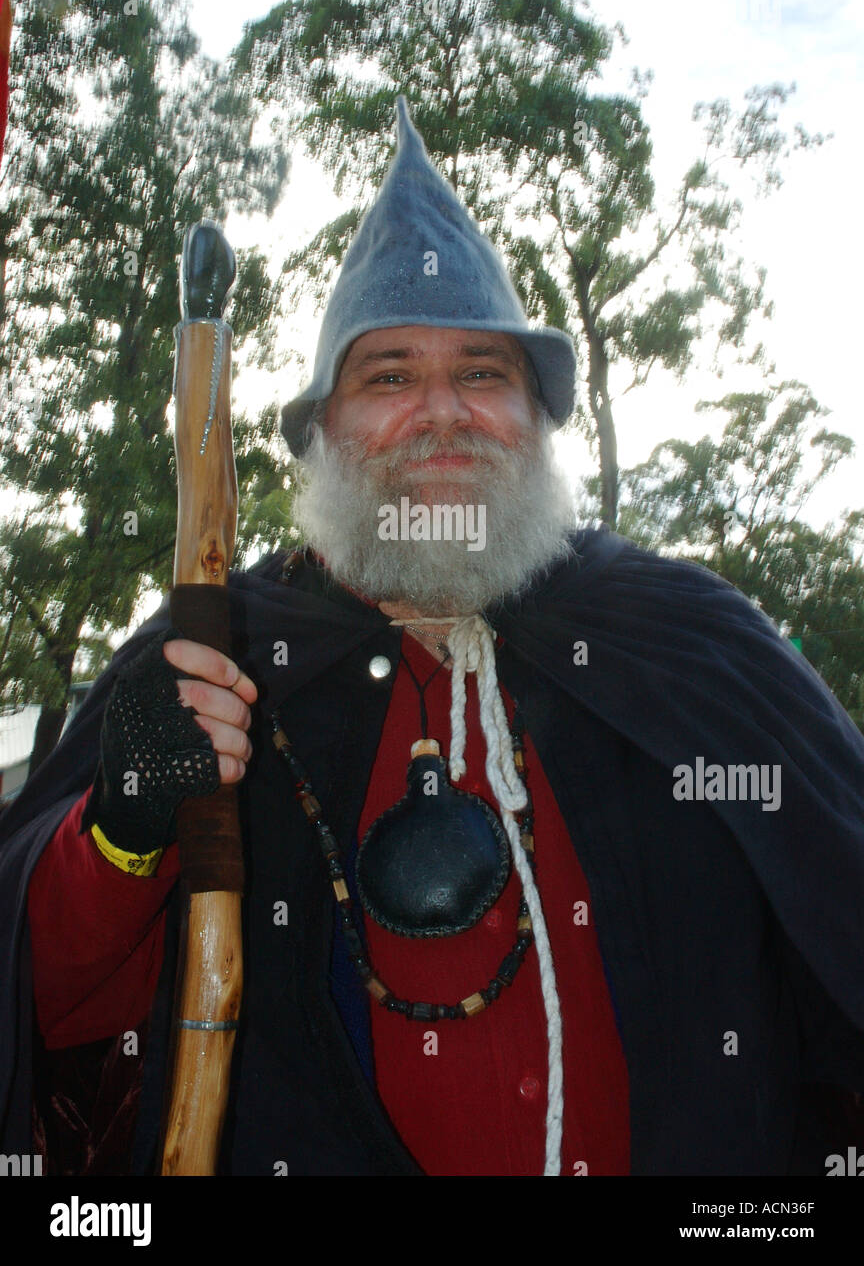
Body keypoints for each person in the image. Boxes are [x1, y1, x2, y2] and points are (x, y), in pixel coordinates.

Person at [1, 99, 863, 1178]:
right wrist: (125, 827)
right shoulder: (215, 654)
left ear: (538, 420)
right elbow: (54, 1011)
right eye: (391, 376)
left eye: (485, 372)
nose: (443, 411)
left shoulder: (690, 641)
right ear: (322, 433)